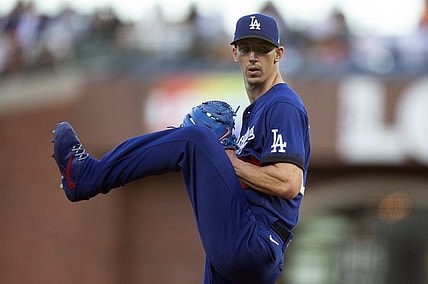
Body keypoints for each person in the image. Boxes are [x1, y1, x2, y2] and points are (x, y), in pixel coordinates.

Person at [52, 13, 310, 284]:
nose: (253, 56)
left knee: (194, 140)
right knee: (198, 146)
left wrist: (224, 160)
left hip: (256, 241)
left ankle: (88, 176)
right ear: (234, 53)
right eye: (246, 49)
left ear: (279, 53)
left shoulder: (282, 104)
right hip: (245, 245)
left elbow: (289, 182)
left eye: (262, 48)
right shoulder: (254, 112)